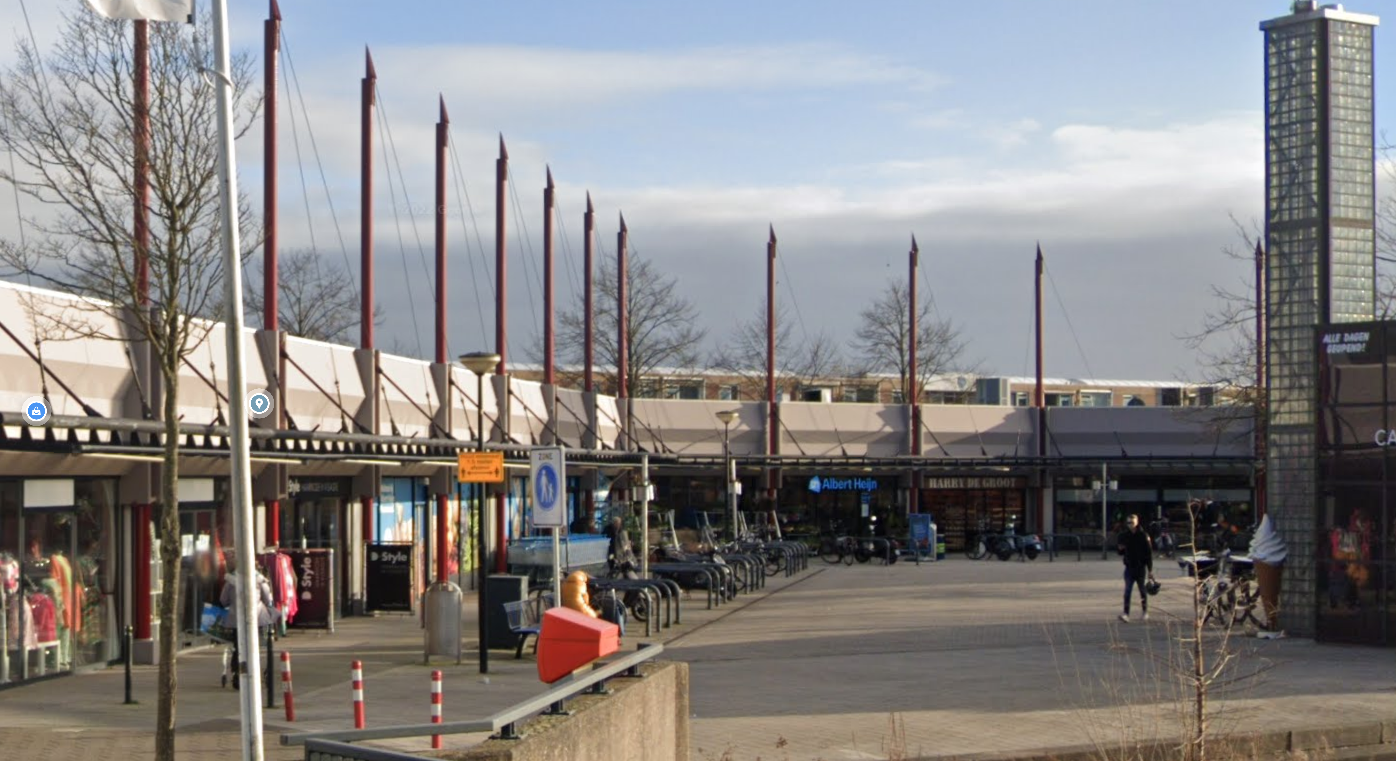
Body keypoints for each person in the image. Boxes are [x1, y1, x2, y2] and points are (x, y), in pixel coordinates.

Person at [219, 553, 277, 690]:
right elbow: (268, 599)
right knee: (253, 645)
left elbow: (223, 600)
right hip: (255, 618)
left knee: (238, 646)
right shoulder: (259, 580)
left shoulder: (230, 581)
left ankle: (237, 672)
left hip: (236, 619)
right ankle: (252, 672)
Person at [1116, 513, 1154, 623]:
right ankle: (1126, 614)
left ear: (1137, 522)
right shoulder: (1124, 535)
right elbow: (1120, 551)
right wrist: (1120, 549)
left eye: (1132, 522)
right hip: (1129, 568)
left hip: (1140, 568)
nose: (1130, 525)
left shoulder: (1143, 535)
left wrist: (1150, 570)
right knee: (1127, 591)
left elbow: (1148, 554)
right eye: (1128, 523)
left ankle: (1145, 611)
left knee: (1142, 590)